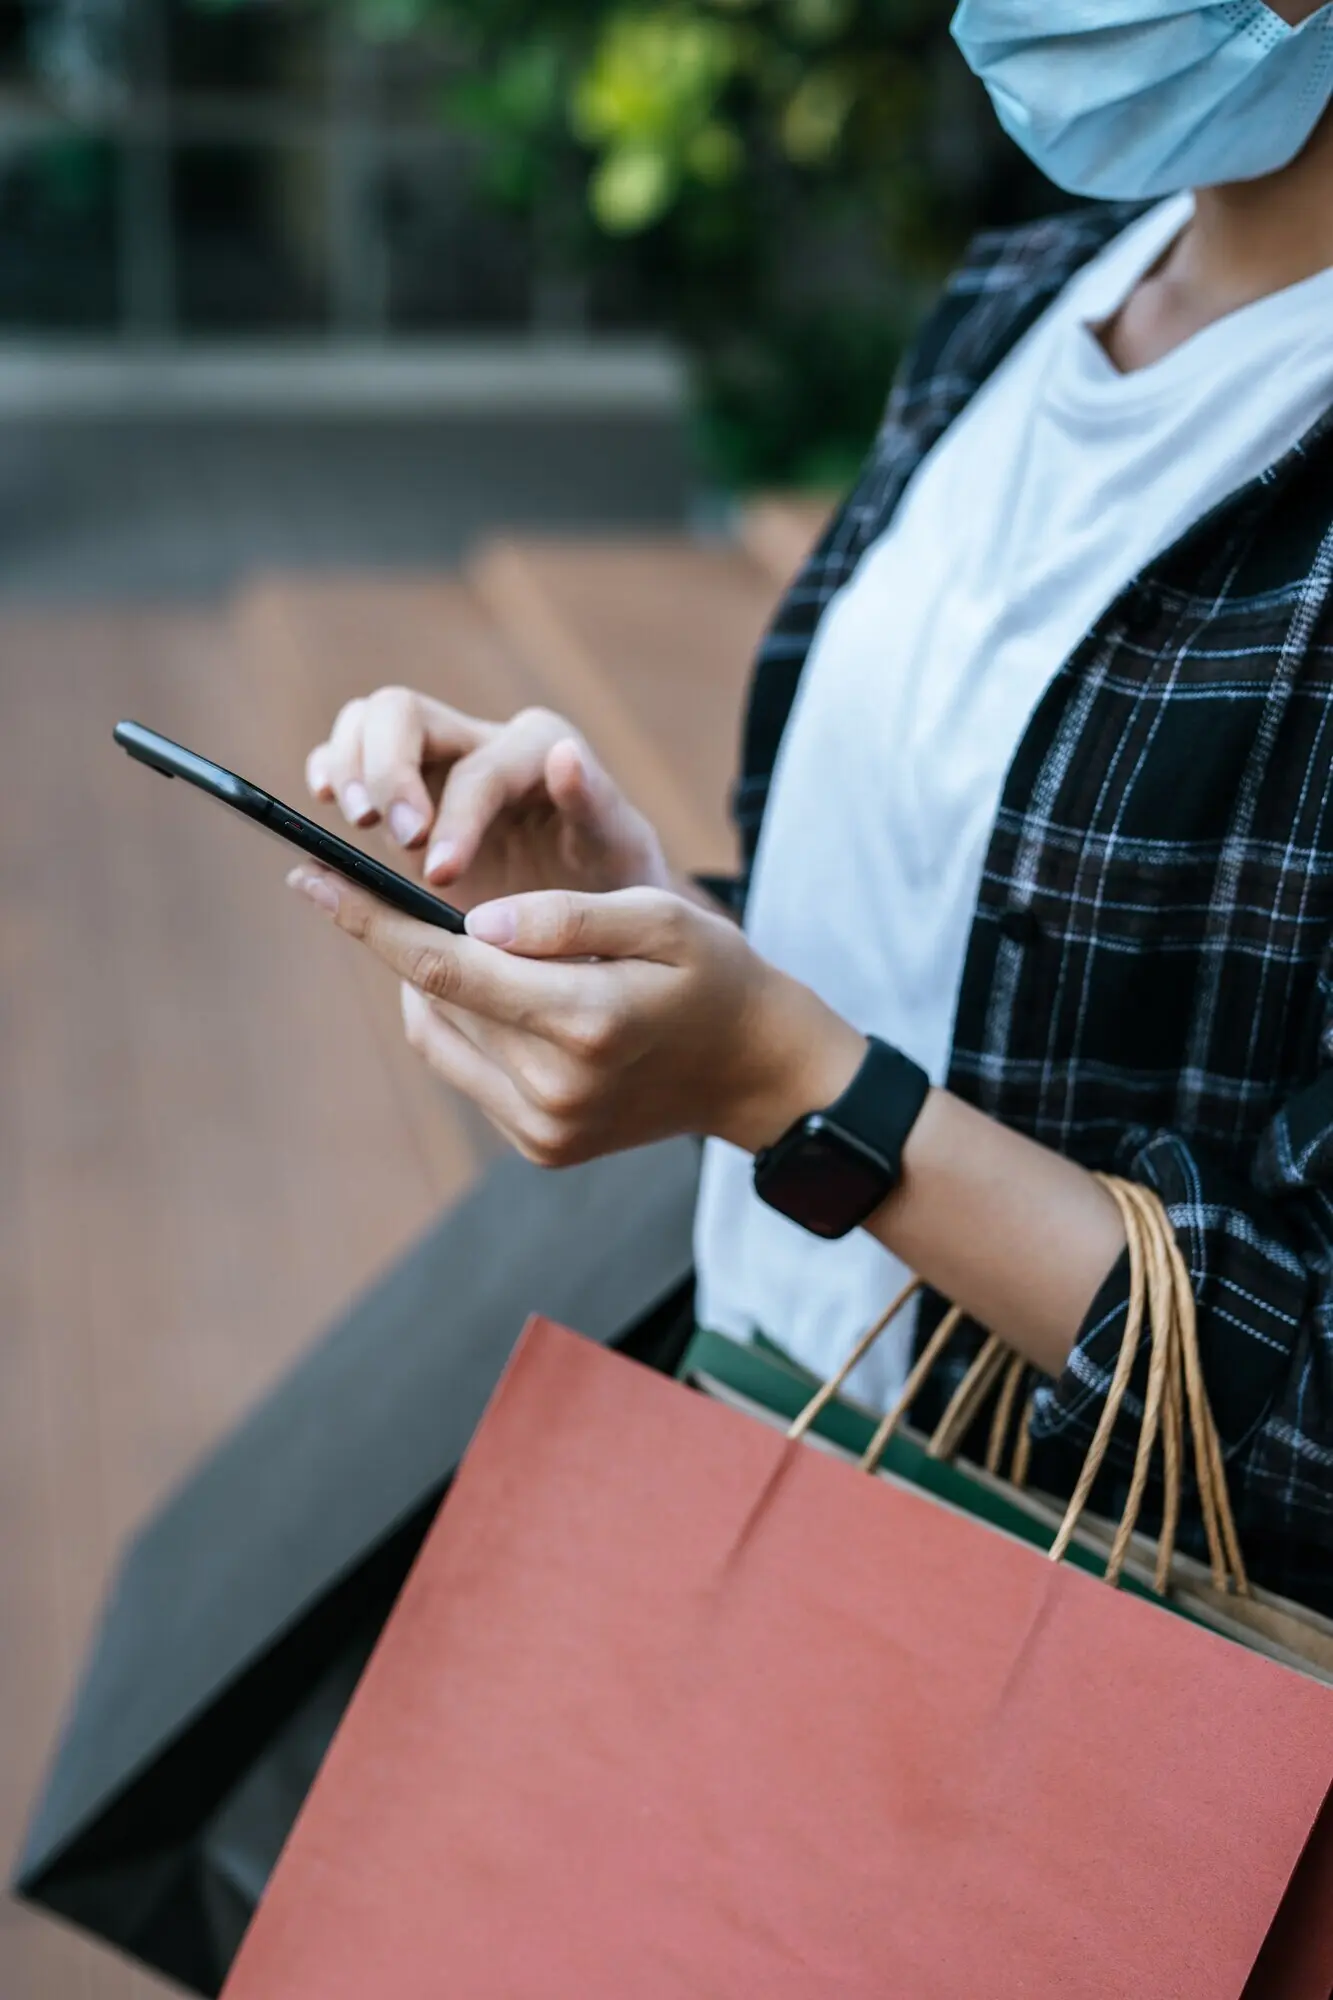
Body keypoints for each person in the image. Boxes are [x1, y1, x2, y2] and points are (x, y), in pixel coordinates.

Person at [291, 1, 1333, 1612]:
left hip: (1055, 1642)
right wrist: (634, 910)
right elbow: (921, 966)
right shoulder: (1023, 295)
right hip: (746, 1454)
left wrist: (794, 1092)